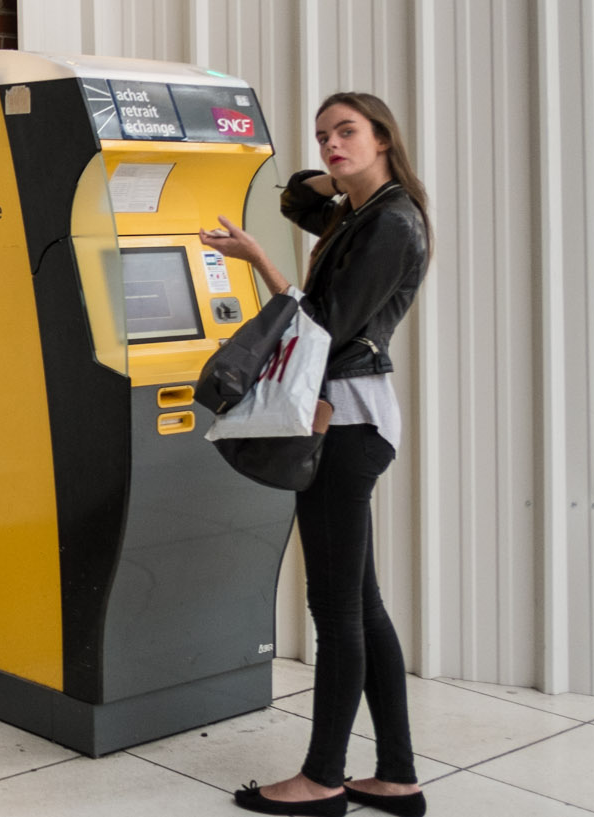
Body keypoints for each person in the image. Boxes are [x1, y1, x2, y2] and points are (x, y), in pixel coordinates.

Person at [200, 92, 432, 817]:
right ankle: (396, 774)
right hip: (349, 415)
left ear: (384, 138)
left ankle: (322, 778)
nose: (331, 145)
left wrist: (262, 261)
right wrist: (341, 175)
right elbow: (297, 194)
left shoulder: (391, 222)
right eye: (323, 134)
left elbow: (324, 328)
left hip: (347, 422)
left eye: (348, 132)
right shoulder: (361, 211)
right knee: (362, 606)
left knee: (336, 610)